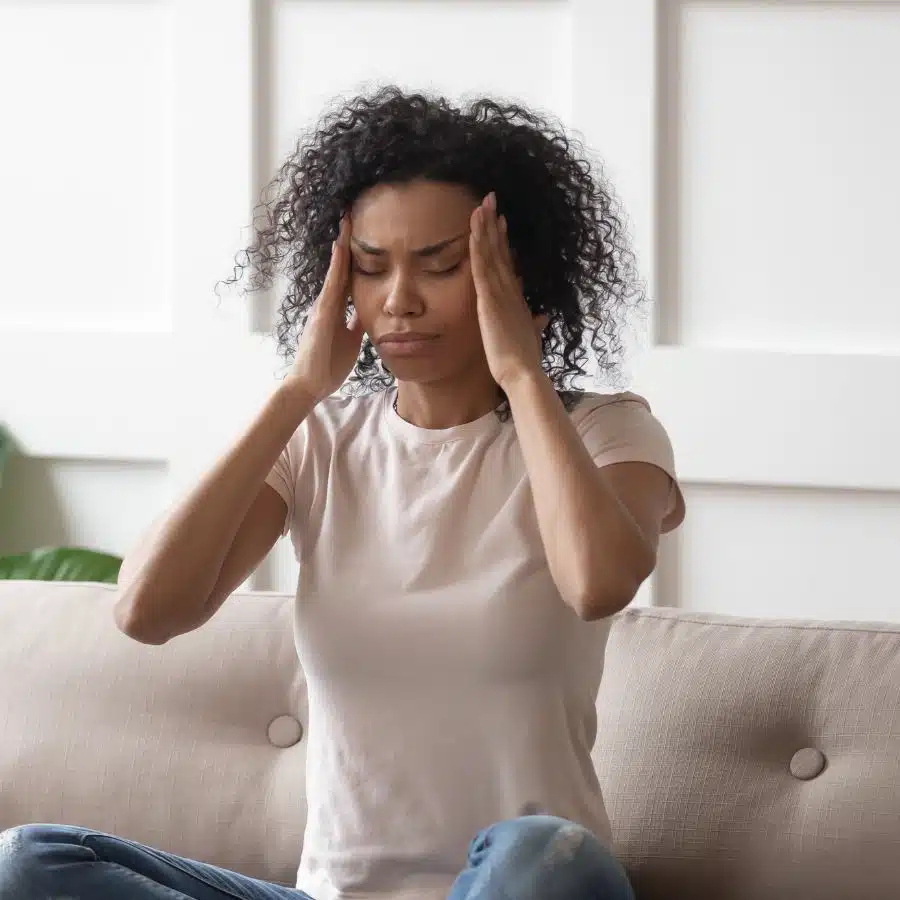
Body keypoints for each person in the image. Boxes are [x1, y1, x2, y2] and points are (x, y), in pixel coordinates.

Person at [0, 87, 685, 900]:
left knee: (539, 857)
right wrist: (296, 394)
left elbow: (597, 581)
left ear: (518, 274)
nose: (399, 298)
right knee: (30, 862)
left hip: (526, 886)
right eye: (370, 267)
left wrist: (520, 375)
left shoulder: (607, 432)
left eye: (440, 265)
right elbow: (146, 610)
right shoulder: (321, 441)